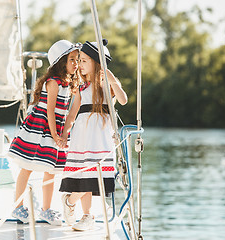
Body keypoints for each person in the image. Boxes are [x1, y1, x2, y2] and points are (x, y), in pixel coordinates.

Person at [59, 39, 128, 231]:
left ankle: (70, 201)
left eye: (84, 61)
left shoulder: (108, 84)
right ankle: (87, 214)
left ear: (97, 63)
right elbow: (72, 113)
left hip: (102, 137)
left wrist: (111, 78)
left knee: (95, 175)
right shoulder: (81, 87)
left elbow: (123, 100)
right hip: (82, 136)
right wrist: (64, 134)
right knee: (84, 175)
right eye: (79, 61)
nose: (79, 65)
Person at [8, 40, 80, 225]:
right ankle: (18, 207)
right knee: (27, 167)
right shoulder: (53, 83)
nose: (75, 63)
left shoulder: (69, 83)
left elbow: (67, 111)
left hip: (55, 129)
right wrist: (55, 135)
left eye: (77, 60)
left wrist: (63, 133)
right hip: (40, 129)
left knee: (51, 170)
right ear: (61, 62)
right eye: (72, 59)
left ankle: (46, 209)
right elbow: (49, 111)